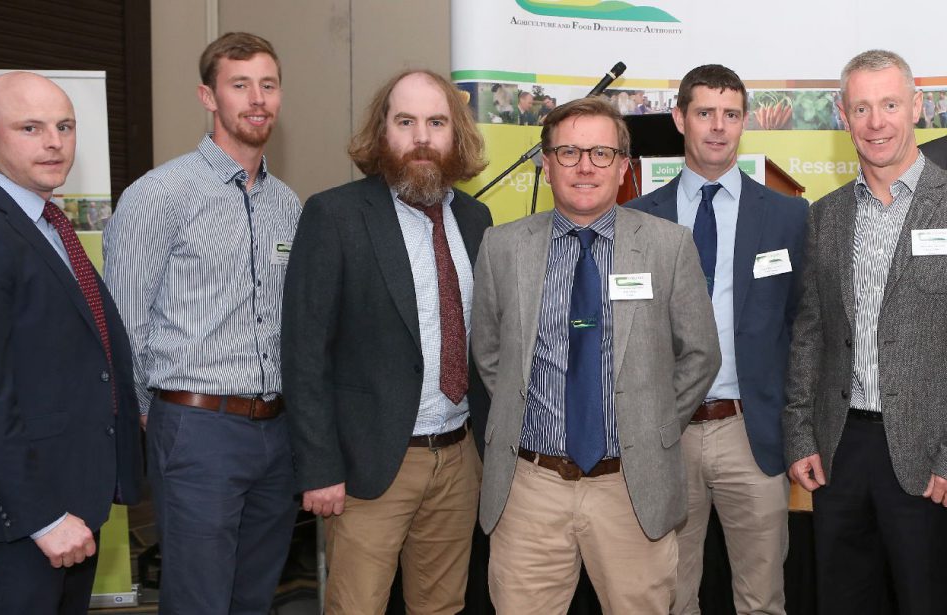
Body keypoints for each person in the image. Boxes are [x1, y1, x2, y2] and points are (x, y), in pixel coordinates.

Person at [472, 96, 721, 613]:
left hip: (631, 488)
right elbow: (491, 353)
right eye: (568, 152)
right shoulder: (502, 246)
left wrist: (646, 424)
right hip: (530, 487)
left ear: (624, 166)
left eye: (601, 153)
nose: (585, 165)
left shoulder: (668, 246)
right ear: (546, 161)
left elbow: (699, 354)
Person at [0, 71, 142, 614]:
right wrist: (42, 516)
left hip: (71, 506)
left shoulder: (49, 224)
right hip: (19, 521)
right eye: (30, 127)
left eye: (65, 126)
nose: (54, 142)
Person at [102, 32, 301, 614]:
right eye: (239, 85)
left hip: (276, 432)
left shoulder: (288, 204)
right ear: (208, 97)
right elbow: (123, 327)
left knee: (255, 597)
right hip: (196, 427)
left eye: (267, 85)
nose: (256, 99)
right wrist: (154, 418)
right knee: (198, 601)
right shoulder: (157, 195)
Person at [282, 69, 492, 614]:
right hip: (370, 464)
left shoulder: (476, 220)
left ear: (456, 134)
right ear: (383, 134)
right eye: (406, 122)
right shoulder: (335, 215)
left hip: (458, 456)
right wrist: (320, 467)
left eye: (436, 122)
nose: (422, 137)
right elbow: (303, 354)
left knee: (443, 608)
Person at [626, 64, 808, 615]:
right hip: (667, 433)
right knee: (670, 596)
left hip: (750, 434)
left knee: (761, 599)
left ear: (745, 122)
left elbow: (804, 328)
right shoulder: (636, 218)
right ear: (680, 118)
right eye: (705, 113)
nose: (718, 127)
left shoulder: (787, 216)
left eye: (731, 115)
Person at [783, 49, 947, 615]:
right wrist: (800, 433)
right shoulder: (825, 215)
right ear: (842, 115)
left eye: (890, 105)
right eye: (862, 108)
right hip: (840, 448)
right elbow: (810, 333)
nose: (876, 122)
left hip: (928, 454)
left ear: (918, 107)